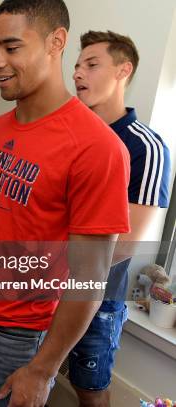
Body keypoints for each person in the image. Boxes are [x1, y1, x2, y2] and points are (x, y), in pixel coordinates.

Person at [0, 1, 131, 406]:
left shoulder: (98, 148)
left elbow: (90, 275)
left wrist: (44, 368)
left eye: (12, 47)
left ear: (56, 42)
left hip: (15, 333)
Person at [71, 30, 171, 407]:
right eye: (77, 65)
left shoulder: (145, 147)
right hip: (39, 285)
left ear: (123, 71)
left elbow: (125, 242)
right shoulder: (72, 136)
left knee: (90, 391)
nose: (79, 73)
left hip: (97, 299)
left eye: (92, 65)